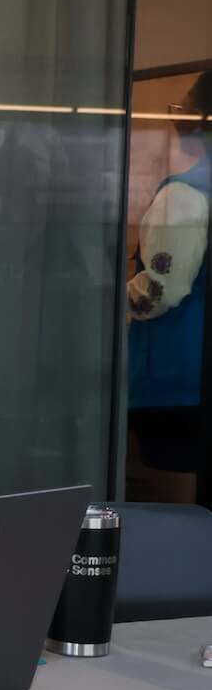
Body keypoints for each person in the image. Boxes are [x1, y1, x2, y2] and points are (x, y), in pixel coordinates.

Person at [128, 71, 211, 482]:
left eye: (186, 109)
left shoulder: (185, 194)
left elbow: (159, 292)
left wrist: (102, 303)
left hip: (179, 380)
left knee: (174, 510)